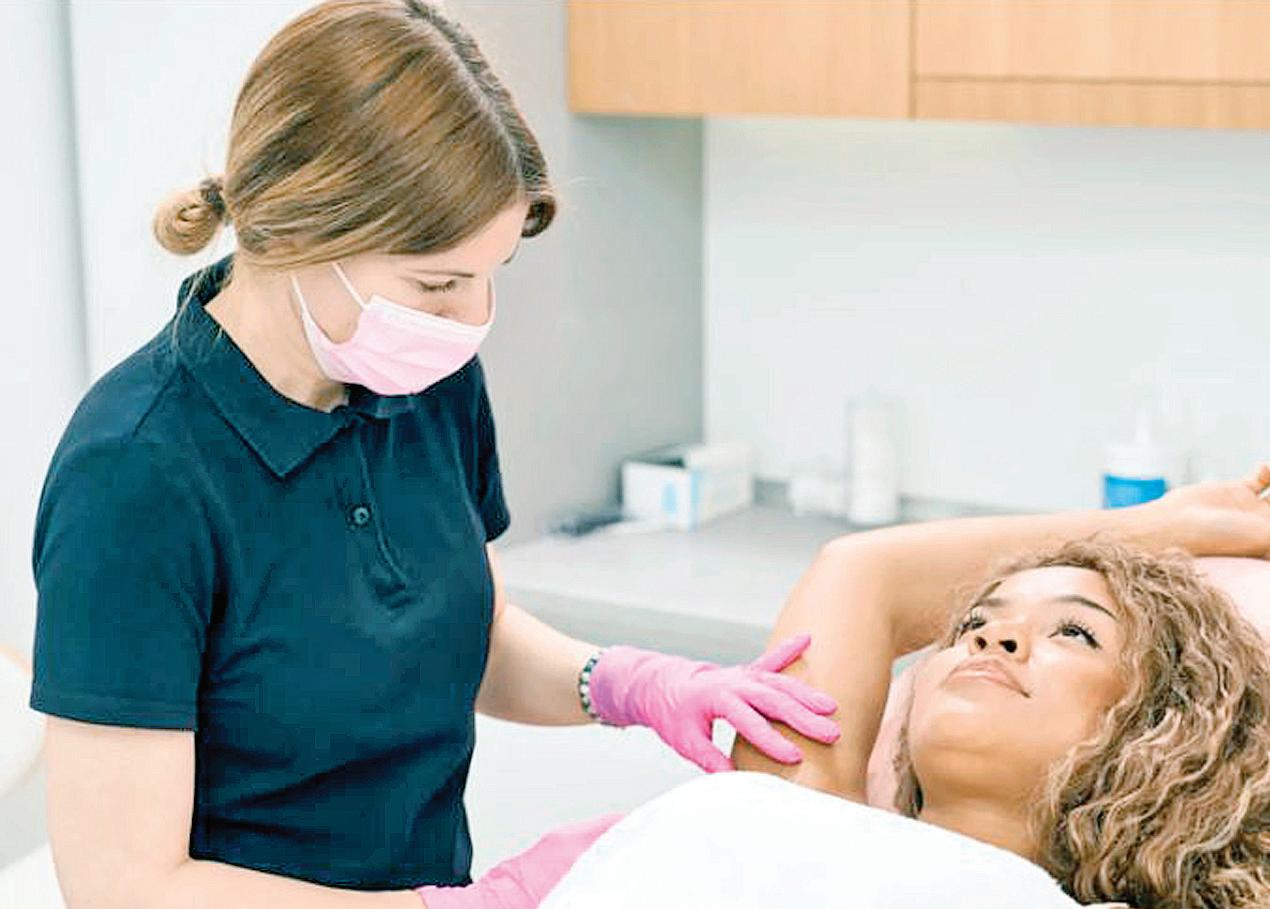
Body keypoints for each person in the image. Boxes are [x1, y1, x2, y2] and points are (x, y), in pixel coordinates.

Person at [29, 3, 841, 908]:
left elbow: (466, 633)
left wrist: (625, 682)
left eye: (490, 275)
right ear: (300, 234)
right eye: (439, 283)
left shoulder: (425, 380)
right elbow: (124, 887)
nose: (471, 317)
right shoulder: (134, 473)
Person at [725, 463, 1270, 909]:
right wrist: (1161, 525)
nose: (992, 638)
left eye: (1073, 632)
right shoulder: (797, 816)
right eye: (974, 623)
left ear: (1161, 725)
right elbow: (863, 569)